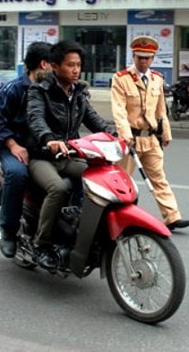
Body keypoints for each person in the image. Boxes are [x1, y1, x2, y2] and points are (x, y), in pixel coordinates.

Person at [27, 40, 115, 270]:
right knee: (58, 188)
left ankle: (81, 229)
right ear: (55, 66)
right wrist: (49, 139)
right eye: (70, 65)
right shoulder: (39, 90)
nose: (76, 70)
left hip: (69, 156)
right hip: (42, 156)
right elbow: (36, 119)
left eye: (78, 65)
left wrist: (119, 135)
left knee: (102, 180)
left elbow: (95, 120)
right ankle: (42, 243)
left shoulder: (78, 93)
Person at [111, 35, 189, 232]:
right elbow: (119, 110)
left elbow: (161, 110)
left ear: (153, 58)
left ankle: (172, 217)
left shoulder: (157, 79)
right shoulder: (121, 79)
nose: (143, 61)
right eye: (140, 57)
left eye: (147, 58)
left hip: (150, 139)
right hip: (130, 139)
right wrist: (124, 134)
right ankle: (115, 218)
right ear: (133, 56)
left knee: (159, 178)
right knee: (121, 183)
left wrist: (166, 133)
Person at [0, 41, 52, 258]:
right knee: (17, 173)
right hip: (11, 147)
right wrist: (13, 145)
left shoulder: (51, 90)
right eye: (54, 62)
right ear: (43, 64)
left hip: (41, 147)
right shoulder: (13, 89)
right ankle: (9, 232)